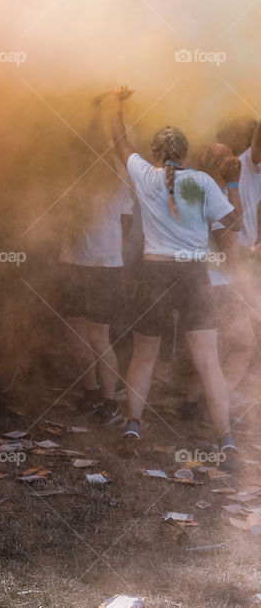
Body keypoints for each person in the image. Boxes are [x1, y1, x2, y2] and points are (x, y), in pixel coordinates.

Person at [108, 87, 241, 468]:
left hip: (155, 274)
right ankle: (226, 441)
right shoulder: (201, 182)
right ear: (184, 153)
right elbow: (234, 223)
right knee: (208, 361)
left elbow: (118, 139)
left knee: (144, 355)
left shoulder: (145, 175)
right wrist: (231, 182)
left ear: (155, 153)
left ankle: (133, 428)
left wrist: (117, 103)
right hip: (193, 276)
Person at [58, 100, 132, 425]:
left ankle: (110, 400)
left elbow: (127, 218)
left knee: (99, 336)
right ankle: (91, 392)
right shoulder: (73, 174)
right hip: (73, 261)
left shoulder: (119, 171)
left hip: (104, 265)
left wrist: (112, 111)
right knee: (73, 333)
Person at [179, 143, 255, 419]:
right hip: (218, 283)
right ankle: (218, 403)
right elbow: (228, 241)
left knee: (217, 347)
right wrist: (245, 284)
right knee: (244, 344)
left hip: (199, 280)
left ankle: (190, 403)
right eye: (226, 156)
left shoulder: (193, 189)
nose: (234, 159)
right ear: (213, 163)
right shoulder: (214, 193)